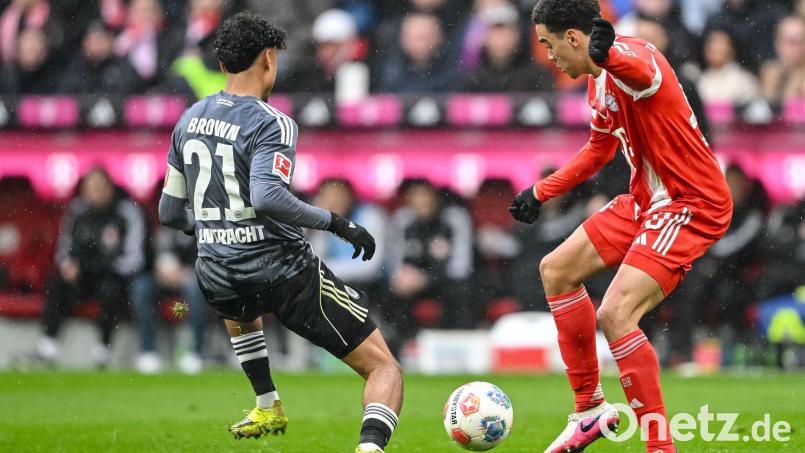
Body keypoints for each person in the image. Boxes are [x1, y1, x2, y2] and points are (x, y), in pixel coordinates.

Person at [157, 13, 402, 453]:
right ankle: (369, 449)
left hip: (216, 272)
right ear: (268, 60)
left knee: (233, 285)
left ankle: (267, 402)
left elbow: (170, 212)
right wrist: (339, 223)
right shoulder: (273, 121)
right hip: (281, 270)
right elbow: (268, 197)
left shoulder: (188, 119)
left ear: (221, 62)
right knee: (384, 368)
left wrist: (219, 228)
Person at [510, 1, 732, 452]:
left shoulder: (636, 57)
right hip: (647, 201)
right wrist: (541, 192)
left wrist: (609, 55)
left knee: (615, 314)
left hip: (690, 203)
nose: (550, 57)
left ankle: (659, 446)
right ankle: (590, 410)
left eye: (550, 46)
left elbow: (640, 73)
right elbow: (598, 150)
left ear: (574, 38)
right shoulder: (596, 85)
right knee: (556, 270)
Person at [37, 168, 148, 368]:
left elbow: (135, 259)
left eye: (99, 187)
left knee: (110, 290)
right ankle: (48, 346)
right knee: (56, 283)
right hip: (82, 276)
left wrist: (106, 267)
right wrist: (67, 265)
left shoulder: (126, 211)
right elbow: (63, 248)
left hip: (113, 276)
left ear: (109, 189)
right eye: (90, 188)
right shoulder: (77, 211)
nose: (95, 193)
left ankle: (103, 349)